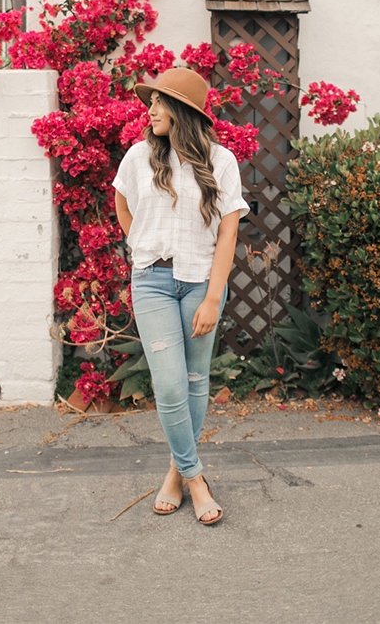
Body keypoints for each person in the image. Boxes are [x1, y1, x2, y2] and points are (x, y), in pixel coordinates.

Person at [112, 67, 248, 526]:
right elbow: (122, 203)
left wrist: (213, 298)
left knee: (193, 381)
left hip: (200, 282)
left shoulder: (221, 162)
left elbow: (228, 233)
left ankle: (174, 471)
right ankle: (195, 478)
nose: (149, 110)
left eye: (158, 102)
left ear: (183, 111)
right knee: (169, 385)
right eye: (149, 102)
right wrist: (140, 246)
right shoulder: (137, 157)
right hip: (151, 281)